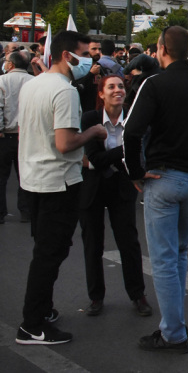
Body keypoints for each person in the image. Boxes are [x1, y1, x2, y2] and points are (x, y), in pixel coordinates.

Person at [124, 26, 188, 353]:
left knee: (165, 259)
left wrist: (136, 173)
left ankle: (172, 333)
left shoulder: (154, 84)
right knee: (179, 253)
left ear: (162, 50)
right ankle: (174, 324)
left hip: (164, 178)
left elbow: (131, 132)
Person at [15, 31, 108, 346]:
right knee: (50, 254)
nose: (89, 60)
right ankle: (32, 323)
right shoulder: (64, 91)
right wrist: (93, 131)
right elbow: (65, 142)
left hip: (34, 178)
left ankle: (41, 310)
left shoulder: (32, 84)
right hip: (58, 182)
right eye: (85, 54)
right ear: (68, 55)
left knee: (44, 250)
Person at [79, 75, 152, 317]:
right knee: (93, 244)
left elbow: (103, 158)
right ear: (101, 93)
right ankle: (96, 297)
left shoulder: (132, 118)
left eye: (120, 86)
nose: (117, 90)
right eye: (111, 87)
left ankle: (137, 295)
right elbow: (96, 158)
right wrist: (126, 150)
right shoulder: (90, 119)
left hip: (122, 187)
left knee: (128, 242)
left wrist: (123, 155)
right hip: (92, 187)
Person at [0, 50, 34, 224]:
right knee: (25, 176)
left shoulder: (2, 81)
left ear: (11, 64)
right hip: (27, 135)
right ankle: (26, 211)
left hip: (5, 135)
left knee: (1, 176)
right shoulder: (34, 81)